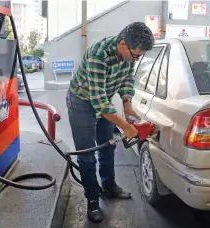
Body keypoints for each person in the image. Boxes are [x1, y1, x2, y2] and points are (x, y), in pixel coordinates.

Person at [65, 22, 154, 223]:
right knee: (87, 156)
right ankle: (93, 200)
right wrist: (126, 127)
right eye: (135, 56)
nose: (136, 59)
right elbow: (99, 102)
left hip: (103, 101)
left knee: (108, 148)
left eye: (139, 57)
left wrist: (127, 105)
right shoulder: (98, 55)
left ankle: (109, 186)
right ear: (122, 44)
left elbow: (127, 80)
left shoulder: (129, 54)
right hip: (82, 103)